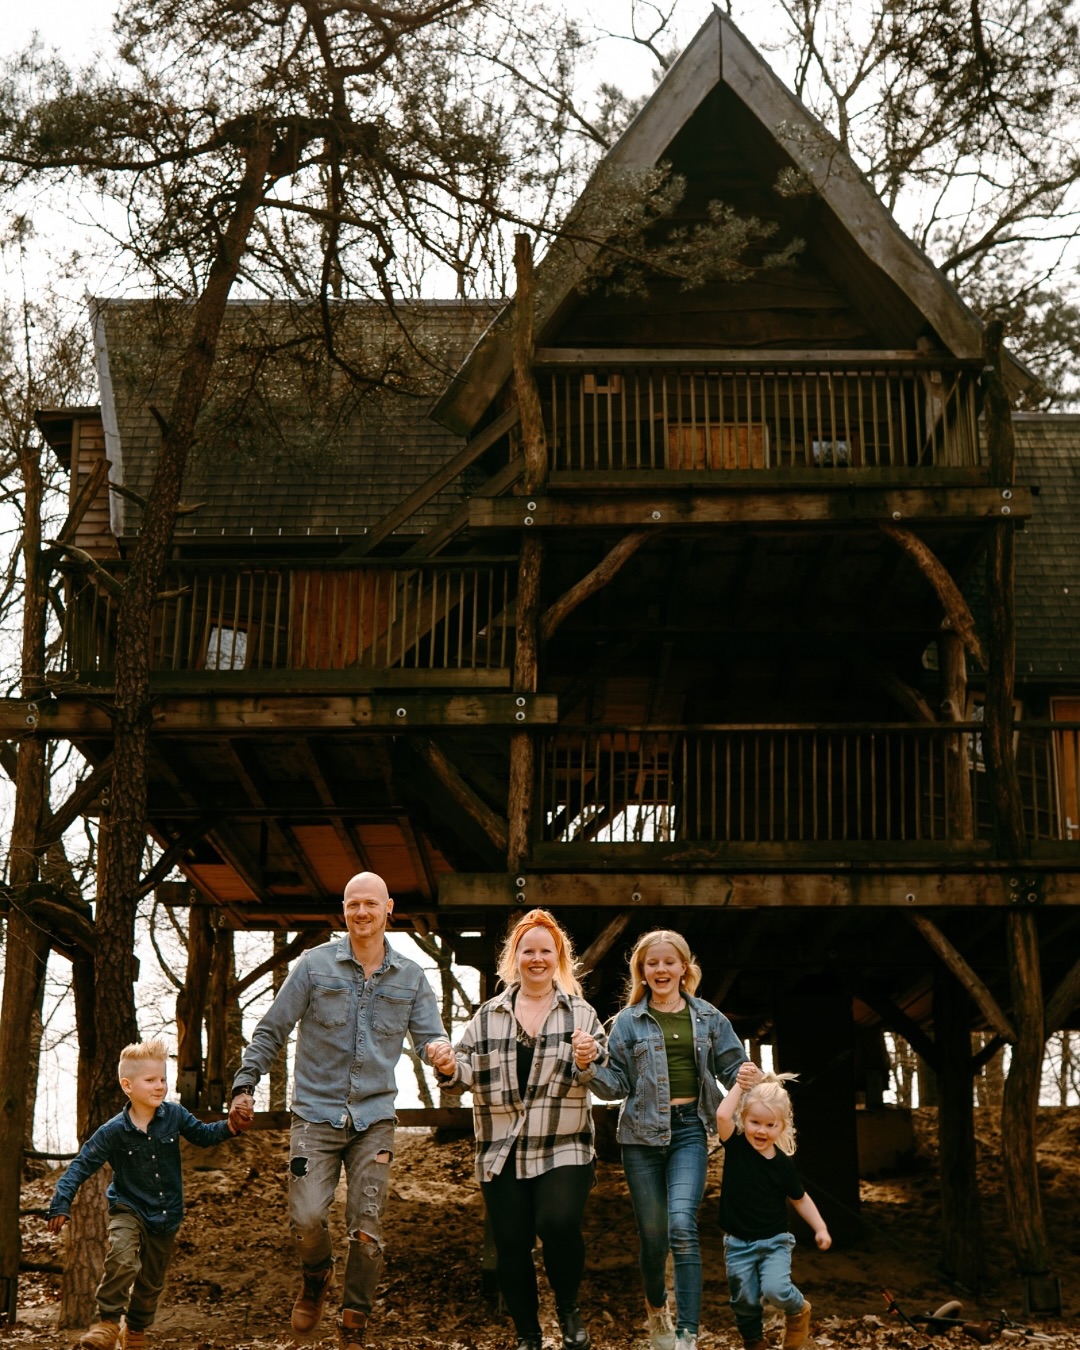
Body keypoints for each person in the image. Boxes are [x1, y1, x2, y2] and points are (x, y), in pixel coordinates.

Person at [230, 871, 450, 1350]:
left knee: (367, 1226)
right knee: (307, 1217)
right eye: (353, 904)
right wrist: (245, 1085)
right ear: (343, 910)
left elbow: (432, 1037)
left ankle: (354, 1322)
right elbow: (272, 1029)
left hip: (374, 1121)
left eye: (371, 903)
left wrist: (442, 1057)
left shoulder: (411, 977)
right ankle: (315, 1275)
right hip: (314, 1115)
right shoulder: (314, 966)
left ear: (389, 907)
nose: (362, 913)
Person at [427, 908, 605, 1350]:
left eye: (547, 951)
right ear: (515, 957)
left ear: (558, 957)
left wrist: (587, 1059)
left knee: (558, 1221)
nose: (537, 958)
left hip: (563, 1143)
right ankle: (527, 1334)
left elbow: (603, 1076)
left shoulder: (580, 1014)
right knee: (510, 1241)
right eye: (529, 950)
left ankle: (568, 1309)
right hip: (500, 1146)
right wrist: (449, 1066)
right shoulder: (488, 1016)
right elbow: (462, 1073)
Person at [585, 929, 750, 1350]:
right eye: (652, 963)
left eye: (668, 962)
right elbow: (615, 1084)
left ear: (683, 968)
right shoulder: (626, 1022)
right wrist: (587, 1067)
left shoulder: (709, 1018)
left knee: (682, 1225)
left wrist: (747, 1078)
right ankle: (657, 1309)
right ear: (642, 970)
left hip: (690, 1129)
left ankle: (687, 1334)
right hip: (640, 1136)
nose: (661, 969)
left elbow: (734, 1067)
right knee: (655, 1236)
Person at [46, 1037, 253, 1350]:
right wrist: (61, 1202)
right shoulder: (113, 1130)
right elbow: (80, 1166)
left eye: (163, 1079)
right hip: (128, 1207)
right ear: (127, 1085)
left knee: (151, 1280)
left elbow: (203, 1134)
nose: (160, 1086)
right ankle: (108, 1322)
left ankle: (137, 1330)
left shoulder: (174, 1115)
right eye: (151, 1080)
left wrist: (231, 1126)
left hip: (166, 1212)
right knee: (122, 1257)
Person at [715, 1071, 831, 1350]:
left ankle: (797, 1310)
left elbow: (800, 1199)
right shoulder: (736, 1146)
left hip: (774, 1242)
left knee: (775, 1290)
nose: (761, 1131)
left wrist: (821, 1227)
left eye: (770, 1124)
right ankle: (754, 1342)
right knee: (743, 1299)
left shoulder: (782, 1165)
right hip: (737, 1242)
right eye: (755, 1122)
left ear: (782, 1127)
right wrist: (740, 1087)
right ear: (743, 1119)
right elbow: (721, 1115)